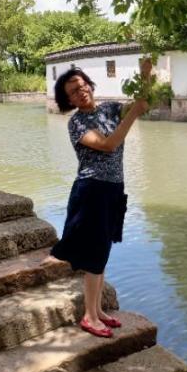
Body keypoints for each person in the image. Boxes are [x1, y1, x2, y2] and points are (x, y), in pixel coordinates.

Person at [45, 60, 151, 338]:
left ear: (90, 86)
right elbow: (108, 144)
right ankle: (89, 317)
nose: (80, 92)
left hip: (113, 188)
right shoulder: (77, 123)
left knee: (102, 251)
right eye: (73, 91)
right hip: (92, 190)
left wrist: (145, 74)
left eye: (82, 85)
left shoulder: (110, 109)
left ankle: (99, 310)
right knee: (94, 254)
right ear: (67, 100)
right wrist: (134, 114)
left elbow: (141, 103)